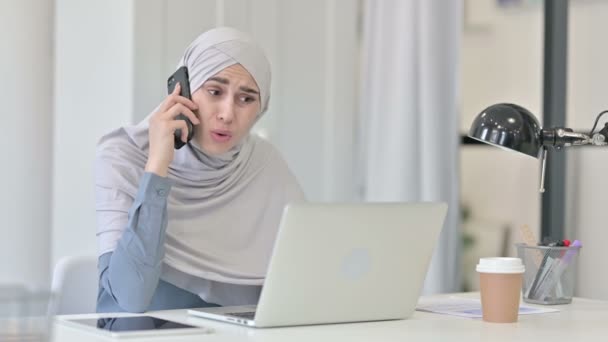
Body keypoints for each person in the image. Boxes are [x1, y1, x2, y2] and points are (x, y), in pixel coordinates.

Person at [94, 27, 305, 313]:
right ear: (183, 90)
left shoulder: (265, 164)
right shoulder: (124, 154)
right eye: (215, 91)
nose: (227, 114)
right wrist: (157, 166)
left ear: (262, 107)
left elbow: (302, 283)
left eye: (246, 99)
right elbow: (130, 298)